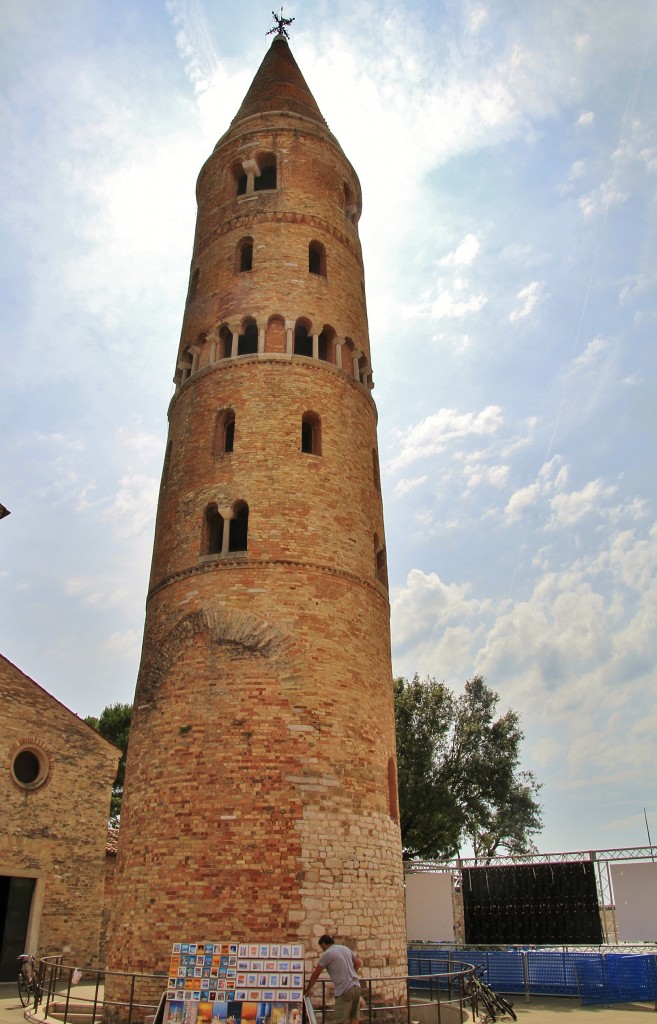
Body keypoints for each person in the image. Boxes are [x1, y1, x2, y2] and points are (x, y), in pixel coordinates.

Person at [304, 935, 362, 1024]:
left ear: (323, 943)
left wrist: (308, 989)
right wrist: (351, 975)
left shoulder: (327, 954)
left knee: (341, 1019)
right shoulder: (345, 948)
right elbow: (358, 962)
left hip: (344, 989)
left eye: (321, 946)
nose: (322, 949)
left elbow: (316, 974)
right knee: (354, 1017)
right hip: (356, 986)